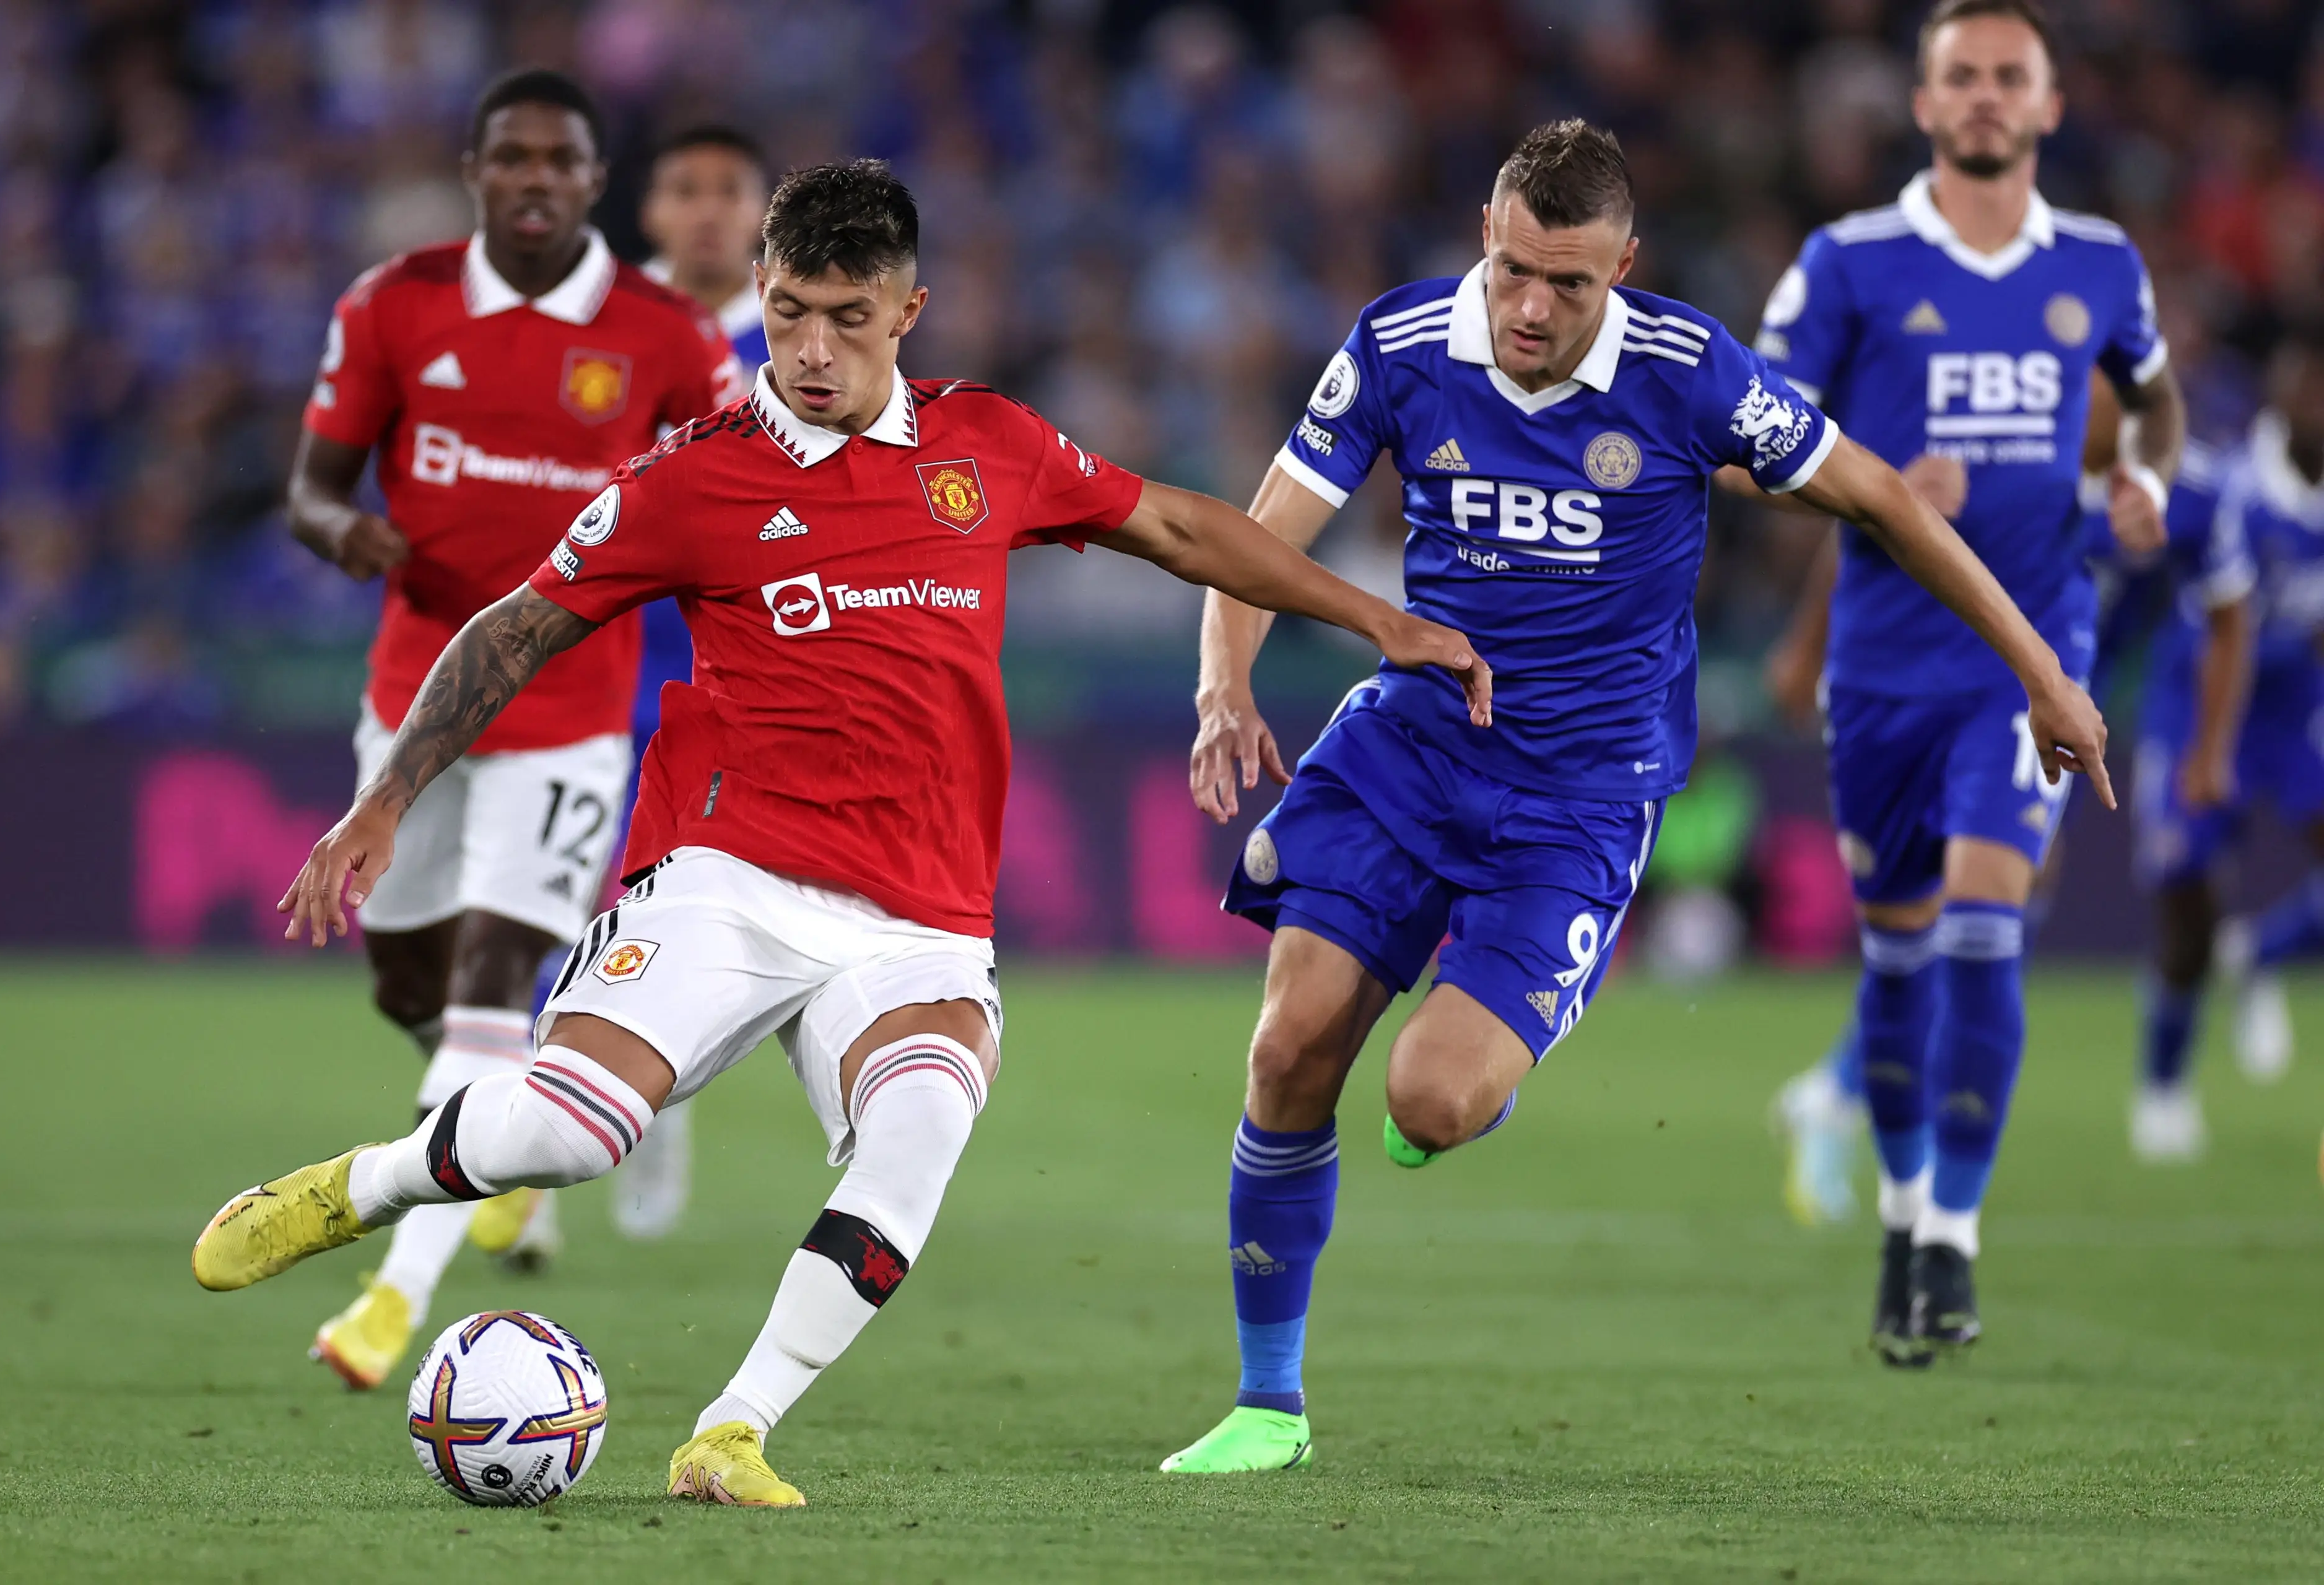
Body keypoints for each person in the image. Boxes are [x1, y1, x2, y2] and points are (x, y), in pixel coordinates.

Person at [191, 159, 1493, 1509]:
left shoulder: (988, 446)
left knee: (924, 1119)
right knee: (571, 1139)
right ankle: (365, 1183)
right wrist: (386, 798)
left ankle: (733, 1429)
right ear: (760, 292)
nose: (813, 349)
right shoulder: (690, 481)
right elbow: (517, 625)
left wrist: (1378, 619)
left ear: (909, 311)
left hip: (923, 915)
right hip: (727, 880)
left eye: (849, 319)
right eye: (792, 310)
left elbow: (1175, 524)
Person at [1162, 116, 2110, 1475]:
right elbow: (1260, 531)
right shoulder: (1402, 342)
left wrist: (2042, 674)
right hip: (1414, 748)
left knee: (1433, 1101)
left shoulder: (1688, 372)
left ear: (1626, 267)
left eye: (1570, 282)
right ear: (1485, 238)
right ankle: (1268, 1403)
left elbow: (1884, 498)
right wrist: (1222, 684)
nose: (1532, 309)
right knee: (1288, 1043)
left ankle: (1497, 1033)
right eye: (1513, 272)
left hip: (1581, 796)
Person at [283, 69, 739, 1391]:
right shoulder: (392, 303)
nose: (536, 178)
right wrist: (345, 532)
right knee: (410, 987)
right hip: (415, 704)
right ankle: (524, 1135)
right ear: (476, 169)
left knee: (490, 984)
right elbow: (309, 489)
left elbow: (718, 489)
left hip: (574, 718)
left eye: (562, 160)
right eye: (513, 157)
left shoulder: (660, 332)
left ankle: (390, 1300)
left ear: (594, 182)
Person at [1749, 0, 2183, 1366]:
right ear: (1925, 106)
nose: (1988, 98)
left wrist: (2143, 478)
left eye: (2013, 78)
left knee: (1988, 923)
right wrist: (1868, 492)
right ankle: (1898, 1215)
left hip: (2029, 656)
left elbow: (2155, 400)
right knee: (1894, 960)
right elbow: (1743, 441)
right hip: (1882, 676)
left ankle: (1952, 1233)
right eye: (1963, 79)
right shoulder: (1850, 265)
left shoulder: (2104, 266)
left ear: (2051, 105)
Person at [588, 123, 776, 1241]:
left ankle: (652, 1094)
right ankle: (550, 1140)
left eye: (729, 189)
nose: (707, 209)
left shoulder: (804, 333)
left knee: (683, 905)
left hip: (737, 664)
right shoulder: (600, 325)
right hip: (606, 648)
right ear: (649, 211)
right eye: (684, 188)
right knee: (574, 896)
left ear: (761, 212)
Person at [2149, 328, 2324, 1130]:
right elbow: (2216, 621)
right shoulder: (2237, 490)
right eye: (2303, 385)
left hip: (2295, 711)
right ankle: (2164, 1085)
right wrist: (2207, 750)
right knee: (2189, 904)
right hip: (2206, 702)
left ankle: (2264, 953)